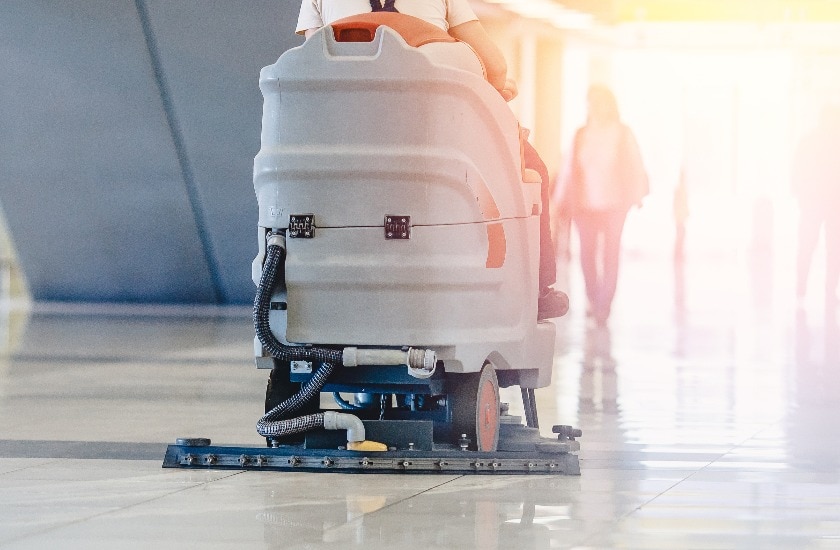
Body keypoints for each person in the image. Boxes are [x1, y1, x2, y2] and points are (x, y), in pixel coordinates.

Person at [296, 0, 569, 320]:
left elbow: (315, 63)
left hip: (347, 140)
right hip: (430, 135)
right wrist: (492, 85)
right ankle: (536, 290)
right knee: (533, 168)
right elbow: (495, 69)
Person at [559, 85, 648, 326]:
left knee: (610, 254)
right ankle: (593, 298)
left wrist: (638, 194)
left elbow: (636, 163)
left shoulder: (622, 132)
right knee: (586, 254)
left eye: (599, 101)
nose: (595, 106)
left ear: (610, 104)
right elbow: (568, 169)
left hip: (615, 205)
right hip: (584, 206)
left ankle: (604, 306)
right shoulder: (581, 134)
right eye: (591, 101)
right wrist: (559, 201)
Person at [791, 104, 840, 313]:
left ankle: (802, 287)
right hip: (831, 203)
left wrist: (799, 194)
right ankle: (829, 289)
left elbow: (796, 169)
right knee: (833, 249)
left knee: (808, 247)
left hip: (814, 203)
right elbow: (797, 170)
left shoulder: (808, 141)